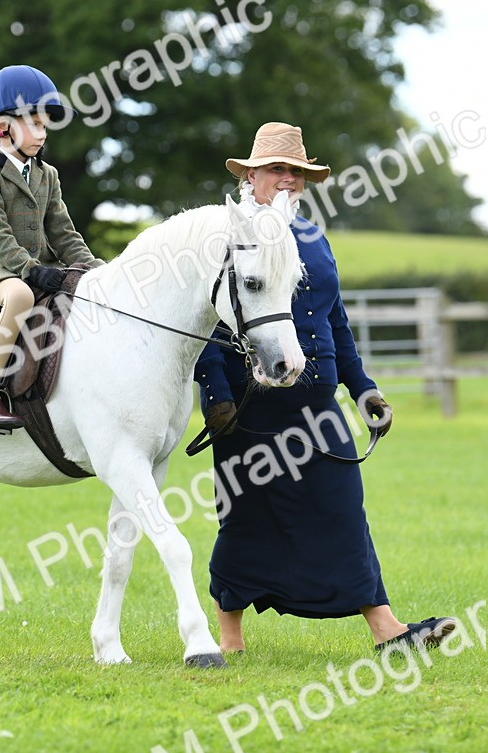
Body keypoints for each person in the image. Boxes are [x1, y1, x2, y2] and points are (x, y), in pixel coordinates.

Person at [193, 122, 455, 652]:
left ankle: (388, 630)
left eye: (297, 172)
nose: (287, 180)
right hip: (249, 408)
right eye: (276, 169)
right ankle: (228, 638)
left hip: (318, 408)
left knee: (342, 513)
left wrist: (363, 390)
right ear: (252, 175)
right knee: (245, 520)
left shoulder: (312, 236)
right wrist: (215, 395)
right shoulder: (227, 235)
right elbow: (204, 321)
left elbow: (335, 320)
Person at [0, 65, 106, 432]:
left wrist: (94, 267)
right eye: (34, 124)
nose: (42, 133)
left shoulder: (47, 175)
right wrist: (30, 268)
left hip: (42, 266)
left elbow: (63, 232)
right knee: (20, 296)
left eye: (45, 126)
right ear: (4, 128)